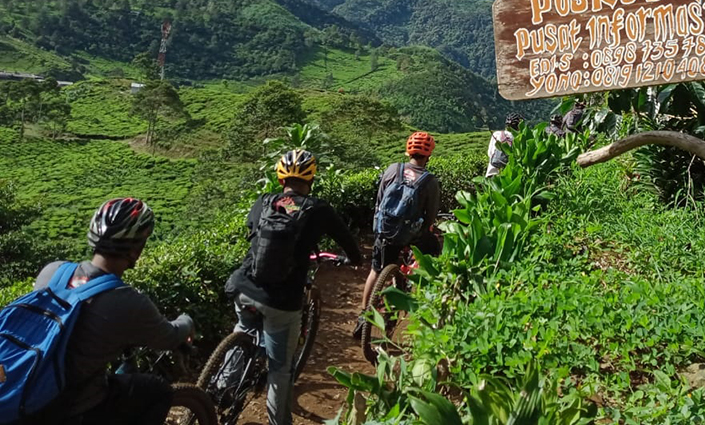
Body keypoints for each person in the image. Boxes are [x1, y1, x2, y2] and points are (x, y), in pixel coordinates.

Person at [224, 149, 362, 425]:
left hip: (243, 286)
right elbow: (348, 242)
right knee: (279, 370)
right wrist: (354, 259)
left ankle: (219, 388)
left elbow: (251, 231)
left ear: (280, 178)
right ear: (311, 178)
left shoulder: (265, 201)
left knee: (243, 328)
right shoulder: (318, 208)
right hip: (281, 301)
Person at [29, 198, 194, 425]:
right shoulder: (127, 302)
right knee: (157, 391)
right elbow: (169, 336)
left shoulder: (52, 271)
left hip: (27, 392)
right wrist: (187, 321)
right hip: (73, 408)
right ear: (136, 250)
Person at [355, 132, 441, 337]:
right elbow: (431, 216)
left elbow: (379, 200)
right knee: (434, 249)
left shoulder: (393, 169)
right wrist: (426, 229)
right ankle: (409, 285)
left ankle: (362, 315)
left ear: (408, 151)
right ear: (429, 155)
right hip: (411, 234)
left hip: (385, 231)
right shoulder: (430, 181)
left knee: (376, 270)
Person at [486, 112, 523, 177]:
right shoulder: (517, 138)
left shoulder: (496, 134)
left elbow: (490, 153)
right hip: (508, 174)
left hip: (492, 171)